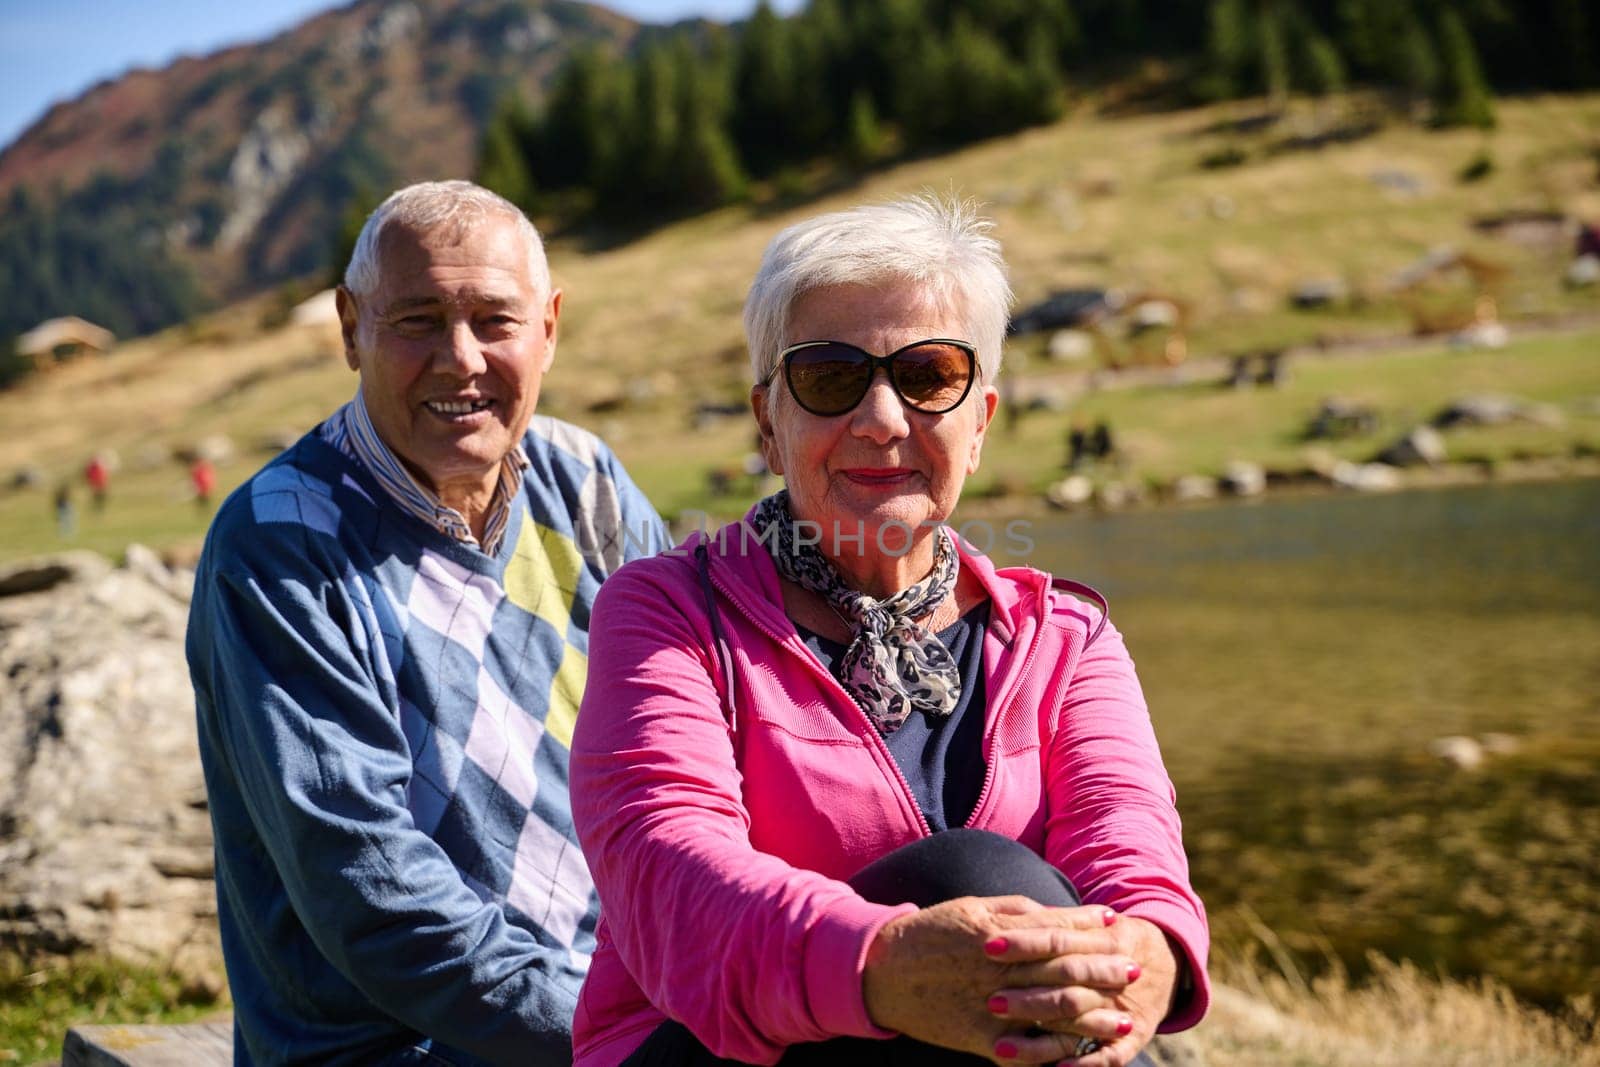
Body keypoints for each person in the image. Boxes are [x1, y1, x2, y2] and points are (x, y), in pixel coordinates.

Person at [570, 196, 1209, 1067]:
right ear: (768, 421)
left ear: (979, 421)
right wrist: (884, 967)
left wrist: (1148, 956)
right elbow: (670, 877)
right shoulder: (668, 614)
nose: (881, 418)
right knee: (983, 883)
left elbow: (1131, 854)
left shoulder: (1068, 638)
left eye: (929, 374)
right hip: (716, 1049)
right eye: (831, 378)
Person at [186, 180, 669, 1065]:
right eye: (415, 320)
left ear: (549, 329)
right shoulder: (280, 542)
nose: (460, 359)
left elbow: (695, 744)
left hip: (626, 1007)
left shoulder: (583, 478)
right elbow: (373, 896)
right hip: (397, 1046)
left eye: (495, 320)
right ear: (349, 327)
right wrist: (624, 1037)